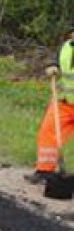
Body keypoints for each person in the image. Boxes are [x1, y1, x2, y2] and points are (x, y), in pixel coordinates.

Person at [33, 29, 74, 182]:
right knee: (48, 132)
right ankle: (44, 171)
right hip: (64, 102)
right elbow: (56, 58)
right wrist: (52, 65)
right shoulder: (66, 47)